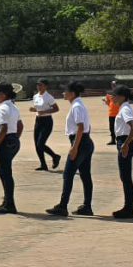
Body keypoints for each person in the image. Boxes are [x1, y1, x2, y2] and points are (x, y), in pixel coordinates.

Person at [47, 81, 95, 217]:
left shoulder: (77, 106)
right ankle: (87, 206)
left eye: (65, 91)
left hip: (79, 143)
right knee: (85, 175)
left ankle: (63, 206)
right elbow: (87, 126)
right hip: (85, 142)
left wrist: (75, 147)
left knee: (68, 174)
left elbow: (80, 127)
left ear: (72, 94)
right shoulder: (79, 105)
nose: (63, 93)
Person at [0, 83, 24, 214]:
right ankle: (7, 200)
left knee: (6, 172)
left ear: (3, 95)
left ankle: (10, 203)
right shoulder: (13, 107)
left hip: (5, 141)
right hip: (12, 140)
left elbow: (3, 129)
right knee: (3, 170)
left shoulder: (3, 108)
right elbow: (20, 126)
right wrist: (15, 139)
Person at [111, 85, 133, 219]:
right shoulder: (123, 108)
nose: (112, 98)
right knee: (125, 177)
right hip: (123, 142)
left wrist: (126, 144)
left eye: (115, 95)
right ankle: (128, 207)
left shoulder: (125, 109)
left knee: (126, 178)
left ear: (122, 97)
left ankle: (129, 209)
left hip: (124, 143)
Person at [29, 78, 60, 171]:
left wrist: (44, 111)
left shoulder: (49, 97)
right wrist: (34, 110)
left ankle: (55, 156)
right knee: (36, 144)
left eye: (41, 85)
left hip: (47, 121)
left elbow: (56, 109)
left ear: (46, 86)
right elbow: (37, 108)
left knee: (40, 143)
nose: (39, 86)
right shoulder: (35, 96)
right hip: (38, 120)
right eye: (38, 85)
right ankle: (43, 164)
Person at [102, 81, 120, 145]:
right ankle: (113, 140)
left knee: (118, 127)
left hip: (119, 113)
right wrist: (105, 101)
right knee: (111, 127)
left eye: (115, 84)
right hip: (111, 113)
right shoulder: (109, 94)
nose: (113, 86)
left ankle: (120, 140)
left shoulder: (120, 93)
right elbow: (108, 103)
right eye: (112, 85)